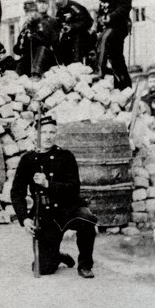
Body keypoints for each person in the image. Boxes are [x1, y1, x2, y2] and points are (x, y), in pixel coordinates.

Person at [10, 116, 97, 278]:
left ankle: (85, 265)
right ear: (35, 134)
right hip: (46, 215)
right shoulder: (27, 160)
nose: (48, 136)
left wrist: (48, 184)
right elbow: (17, 192)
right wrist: (24, 219)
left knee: (87, 219)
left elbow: (74, 188)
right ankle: (57, 256)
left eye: (52, 132)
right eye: (43, 132)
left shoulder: (65, 156)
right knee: (44, 268)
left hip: (69, 208)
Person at [93, 0, 132, 90]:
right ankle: (123, 84)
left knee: (105, 40)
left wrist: (110, 17)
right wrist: (97, 26)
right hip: (107, 26)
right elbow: (101, 8)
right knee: (116, 58)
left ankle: (99, 71)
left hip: (119, 25)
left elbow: (125, 7)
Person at [48, 0, 93, 68]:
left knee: (76, 36)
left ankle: (76, 64)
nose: (56, 0)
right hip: (67, 43)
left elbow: (88, 21)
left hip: (81, 42)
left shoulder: (75, 7)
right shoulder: (59, 12)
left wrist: (72, 27)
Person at [14, 0, 56, 77]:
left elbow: (48, 42)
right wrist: (20, 47)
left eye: (32, 12)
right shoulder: (26, 27)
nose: (29, 15)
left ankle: (35, 74)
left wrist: (33, 37)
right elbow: (18, 48)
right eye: (27, 12)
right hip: (31, 59)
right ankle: (17, 76)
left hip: (46, 59)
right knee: (22, 59)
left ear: (37, 12)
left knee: (41, 48)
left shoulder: (44, 23)